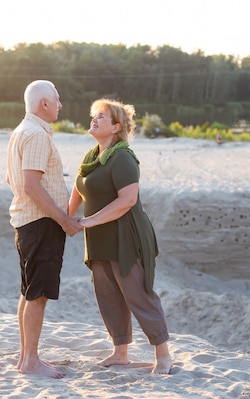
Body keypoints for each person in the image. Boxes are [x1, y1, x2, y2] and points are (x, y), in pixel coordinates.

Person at [68, 98, 172, 374]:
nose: (94, 119)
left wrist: (88, 221)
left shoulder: (123, 157)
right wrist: (68, 219)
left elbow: (127, 200)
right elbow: (79, 188)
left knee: (139, 294)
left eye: (101, 116)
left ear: (116, 127)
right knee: (108, 295)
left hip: (126, 237)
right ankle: (120, 352)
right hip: (99, 237)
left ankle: (163, 355)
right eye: (94, 115)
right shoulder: (92, 157)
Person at [6, 80, 83, 379]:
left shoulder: (19, 132)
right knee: (37, 294)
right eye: (57, 99)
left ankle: (27, 358)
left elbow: (13, 181)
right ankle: (31, 362)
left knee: (29, 292)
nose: (60, 105)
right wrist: (64, 220)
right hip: (40, 224)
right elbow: (30, 185)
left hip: (27, 222)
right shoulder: (36, 135)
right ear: (44, 104)